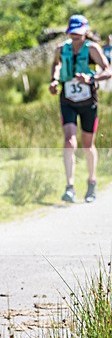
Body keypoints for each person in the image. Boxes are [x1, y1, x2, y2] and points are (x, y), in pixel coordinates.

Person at [49, 15, 110, 203]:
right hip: (67, 99)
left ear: (85, 32)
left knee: (87, 144)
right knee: (69, 141)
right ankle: (70, 187)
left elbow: (108, 70)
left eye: (79, 33)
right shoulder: (61, 49)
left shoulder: (93, 49)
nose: (75, 36)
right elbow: (56, 64)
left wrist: (91, 79)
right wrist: (54, 79)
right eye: (72, 33)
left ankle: (92, 182)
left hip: (88, 101)